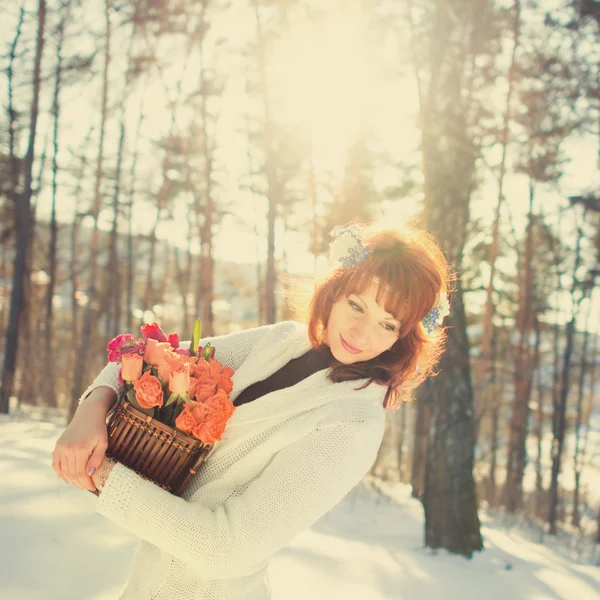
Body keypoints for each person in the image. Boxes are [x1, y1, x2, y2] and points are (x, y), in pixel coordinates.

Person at [52, 221, 452, 600]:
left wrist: (101, 474)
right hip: (147, 582)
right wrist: (92, 407)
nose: (362, 334)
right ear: (335, 291)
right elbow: (153, 357)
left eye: (388, 324)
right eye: (357, 305)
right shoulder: (283, 342)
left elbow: (227, 548)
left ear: (403, 337)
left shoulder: (353, 422)